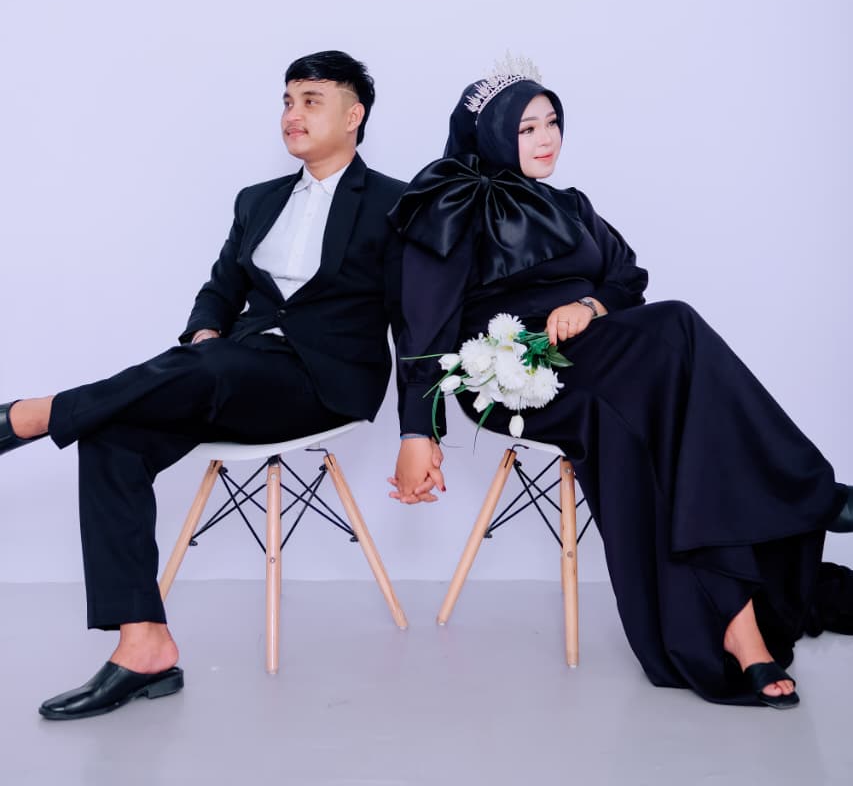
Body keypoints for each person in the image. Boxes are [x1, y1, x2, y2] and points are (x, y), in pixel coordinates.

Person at [389, 58, 852, 708]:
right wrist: (418, 432)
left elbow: (626, 276)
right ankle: (807, 493)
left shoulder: (571, 205)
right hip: (512, 372)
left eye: (552, 122)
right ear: (490, 135)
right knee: (675, 332)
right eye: (526, 128)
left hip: (602, 352)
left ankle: (740, 628)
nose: (546, 138)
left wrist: (590, 305)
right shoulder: (453, 204)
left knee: (668, 415)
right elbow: (422, 326)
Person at [1, 50, 404, 720]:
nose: (292, 114)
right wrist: (204, 332)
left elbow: (417, 322)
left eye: (310, 100)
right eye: (286, 100)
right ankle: (145, 647)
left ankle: (31, 415)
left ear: (353, 114)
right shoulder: (258, 200)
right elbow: (220, 288)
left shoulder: (397, 204)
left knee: (211, 366)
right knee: (111, 433)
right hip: (233, 370)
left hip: (323, 384)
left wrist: (420, 433)